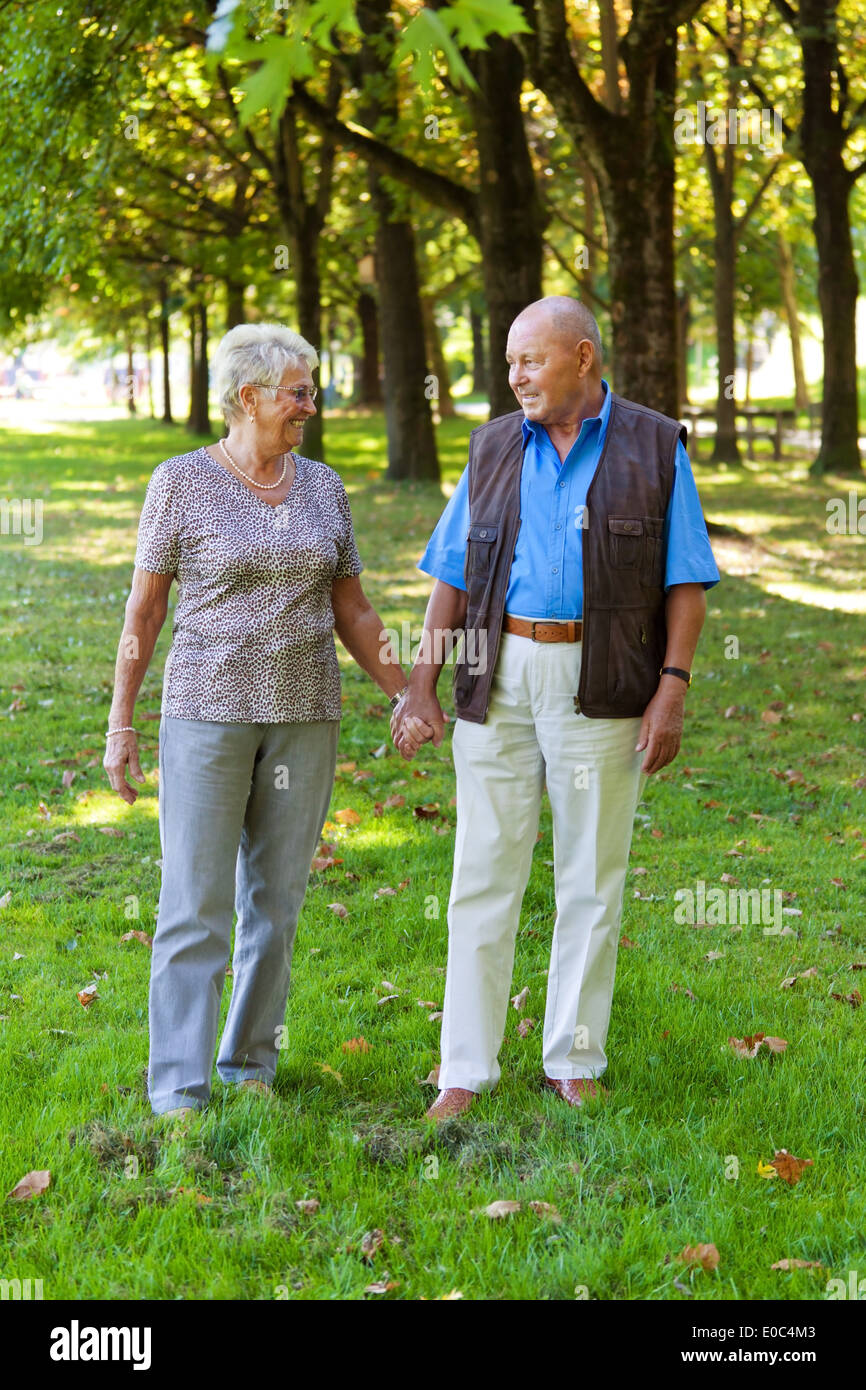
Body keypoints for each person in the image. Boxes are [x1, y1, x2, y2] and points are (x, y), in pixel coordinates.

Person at [391, 296, 720, 1120]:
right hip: (497, 673)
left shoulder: (654, 445)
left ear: (583, 357)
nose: (516, 377)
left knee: (591, 876)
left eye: (530, 361)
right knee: (482, 872)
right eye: (509, 364)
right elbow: (452, 577)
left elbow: (686, 580)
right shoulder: (494, 447)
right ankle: (463, 1069)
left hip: (604, 679)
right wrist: (423, 685)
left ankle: (573, 1058)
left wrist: (672, 688)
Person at [104, 322, 413, 1120]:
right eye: (298, 393)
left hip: (305, 715)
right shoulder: (179, 481)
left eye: (311, 391)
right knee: (195, 904)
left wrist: (405, 691)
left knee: (275, 905)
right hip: (207, 716)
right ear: (249, 397)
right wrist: (121, 721)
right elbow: (145, 608)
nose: (310, 406)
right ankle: (178, 1085)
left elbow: (353, 608)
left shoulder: (323, 487)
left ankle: (249, 1065)